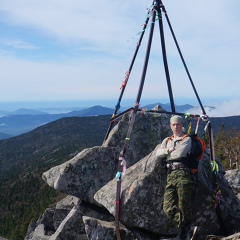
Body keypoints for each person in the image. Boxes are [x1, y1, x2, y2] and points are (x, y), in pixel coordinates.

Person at [156, 115, 197, 240]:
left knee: (184, 204)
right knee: (168, 207)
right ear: (170, 125)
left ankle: (184, 233)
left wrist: (166, 152)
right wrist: (169, 150)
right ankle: (187, 229)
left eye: (178, 124)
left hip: (183, 173)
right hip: (170, 174)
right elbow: (158, 154)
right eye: (173, 124)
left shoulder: (186, 139)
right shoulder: (167, 140)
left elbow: (179, 154)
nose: (175, 126)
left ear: (181, 125)